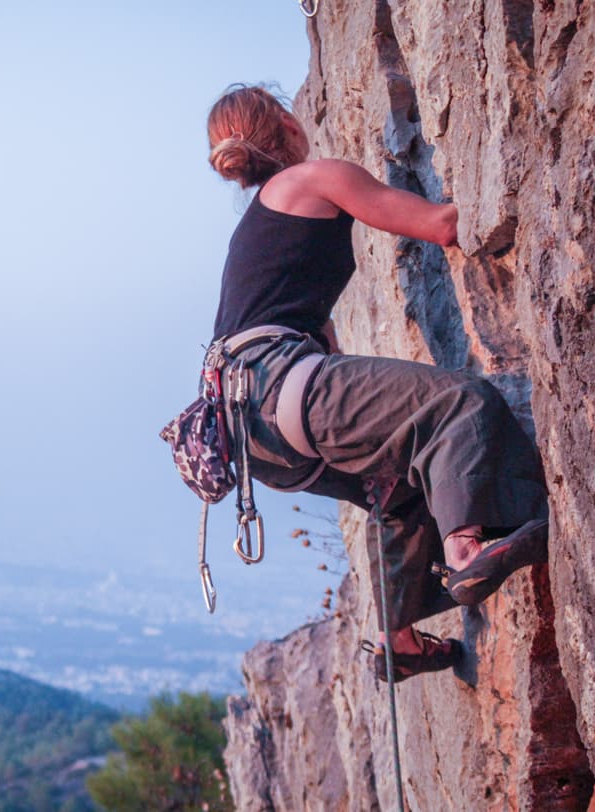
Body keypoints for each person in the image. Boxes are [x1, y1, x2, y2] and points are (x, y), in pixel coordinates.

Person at [203, 84, 549, 681]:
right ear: (288, 123)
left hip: (248, 437)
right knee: (457, 404)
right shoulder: (315, 178)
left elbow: (322, 347)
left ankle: (398, 640)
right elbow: (440, 225)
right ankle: (466, 547)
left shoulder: (257, 231)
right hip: (282, 387)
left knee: (399, 488)